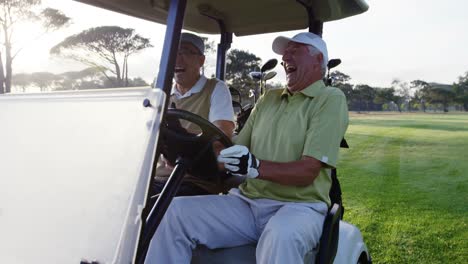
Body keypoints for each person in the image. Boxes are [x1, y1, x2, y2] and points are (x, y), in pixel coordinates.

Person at [145, 32, 349, 263]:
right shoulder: (269, 99)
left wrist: (256, 166)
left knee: (281, 236)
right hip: (247, 202)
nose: (285, 58)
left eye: (295, 51)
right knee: (172, 213)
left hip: (300, 207)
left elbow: (307, 171)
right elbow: (233, 152)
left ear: (318, 60)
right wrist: (187, 151)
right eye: (284, 53)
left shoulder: (330, 98)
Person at [153, 32, 235, 196]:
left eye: (185, 52)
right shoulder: (162, 91)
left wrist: (177, 147)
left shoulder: (215, 88)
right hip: (157, 177)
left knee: (156, 210)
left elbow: (222, 135)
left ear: (201, 60)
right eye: (174, 53)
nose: (177, 59)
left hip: (194, 180)